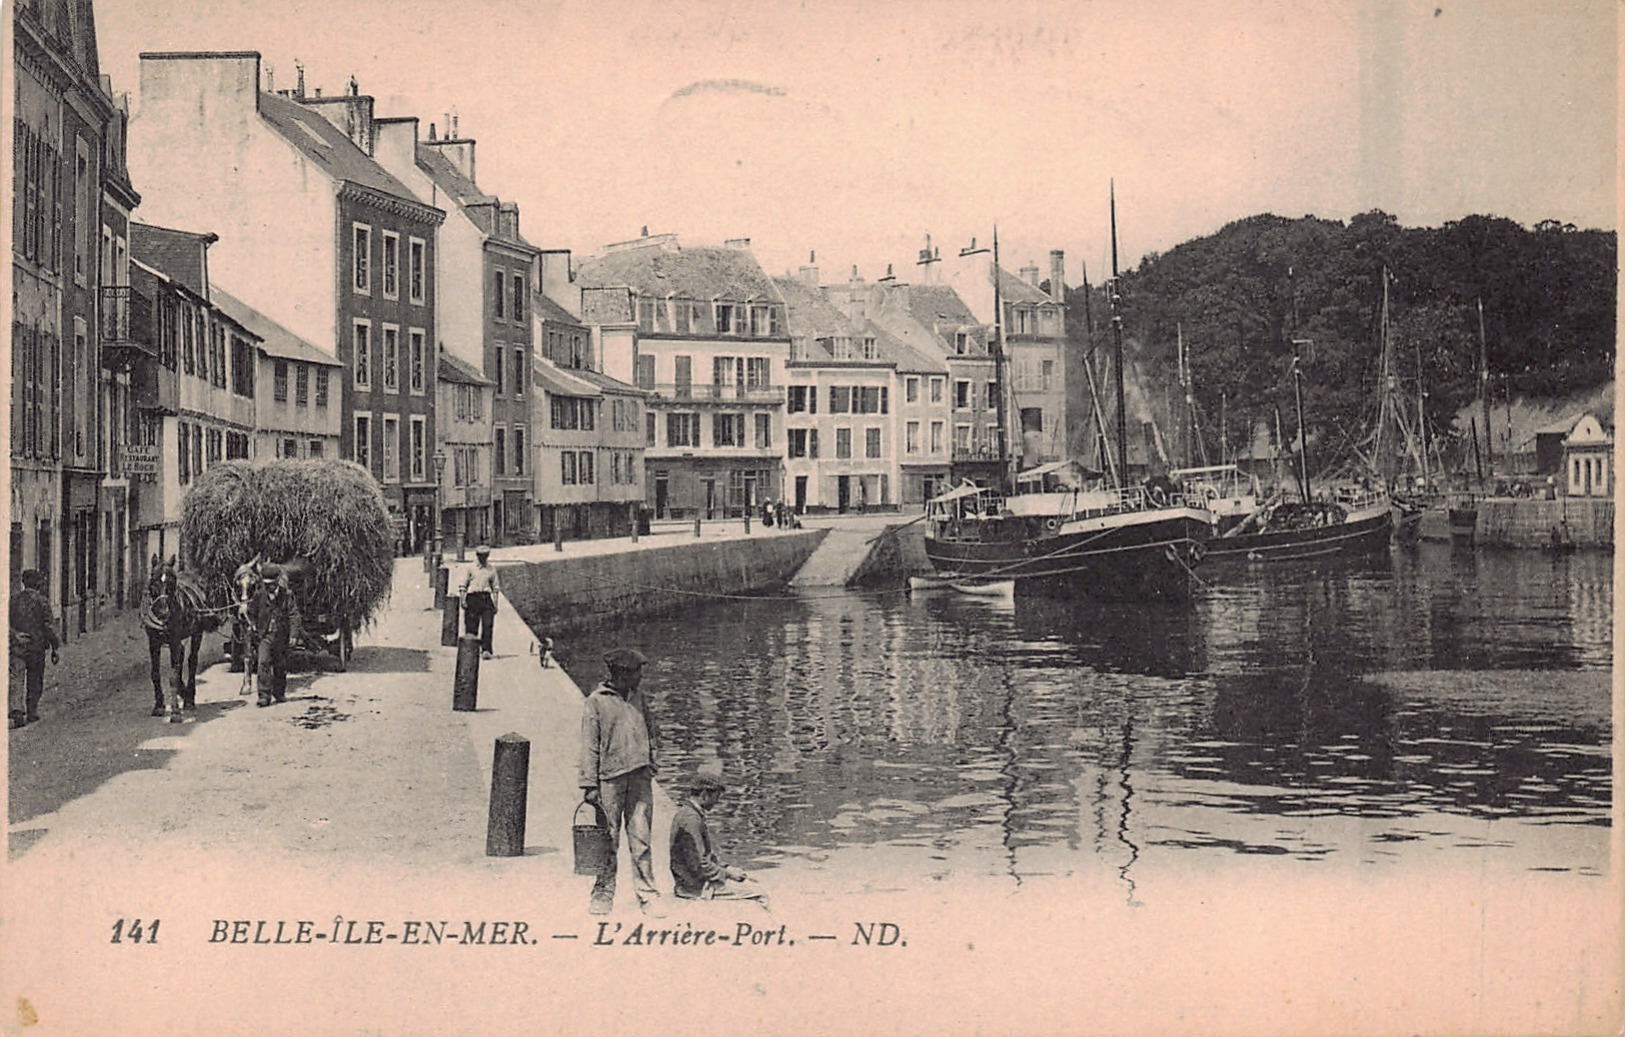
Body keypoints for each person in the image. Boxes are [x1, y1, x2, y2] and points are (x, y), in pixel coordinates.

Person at [579, 647, 664, 917]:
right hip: (610, 781)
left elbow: (651, 729)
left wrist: (652, 759)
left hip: (640, 778)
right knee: (608, 838)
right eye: (638, 672)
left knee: (642, 839)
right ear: (622, 674)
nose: (641, 677)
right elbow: (589, 745)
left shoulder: (639, 697)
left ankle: (648, 895)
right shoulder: (596, 702)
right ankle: (603, 893)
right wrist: (589, 784)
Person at [670, 773, 768, 907]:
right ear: (705, 795)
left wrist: (726, 868)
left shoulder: (689, 813)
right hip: (695, 887)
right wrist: (728, 874)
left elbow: (704, 857)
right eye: (716, 797)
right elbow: (699, 865)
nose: (717, 802)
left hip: (692, 882)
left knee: (751, 881)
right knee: (759, 893)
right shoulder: (691, 820)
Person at [244, 562, 301, 707]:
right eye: (266, 584)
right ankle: (264, 695)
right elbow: (252, 612)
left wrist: (293, 635)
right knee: (263, 662)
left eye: (271, 584)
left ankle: (279, 693)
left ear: (277, 581)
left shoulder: (287, 595)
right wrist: (252, 623)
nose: (268, 587)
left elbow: (294, 615)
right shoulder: (259, 595)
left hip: (281, 636)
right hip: (265, 636)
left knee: (280, 665)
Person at [9, 569, 60, 729]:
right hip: (36, 647)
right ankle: (32, 711)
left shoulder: (13, 600)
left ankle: (16, 709)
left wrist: (15, 635)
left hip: (18, 645)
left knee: (16, 677)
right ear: (38, 583)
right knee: (35, 679)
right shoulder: (42, 602)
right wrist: (55, 647)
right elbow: (48, 627)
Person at [458, 545, 502, 659]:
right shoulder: (471, 568)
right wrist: (463, 599)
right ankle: (471, 649)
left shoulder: (491, 569)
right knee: (471, 625)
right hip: (473, 598)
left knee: (488, 624)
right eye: (481, 556)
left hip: (486, 598)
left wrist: (495, 604)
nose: (484, 558)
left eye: (486, 556)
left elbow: (495, 588)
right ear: (477, 556)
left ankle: (486, 650)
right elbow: (463, 585)